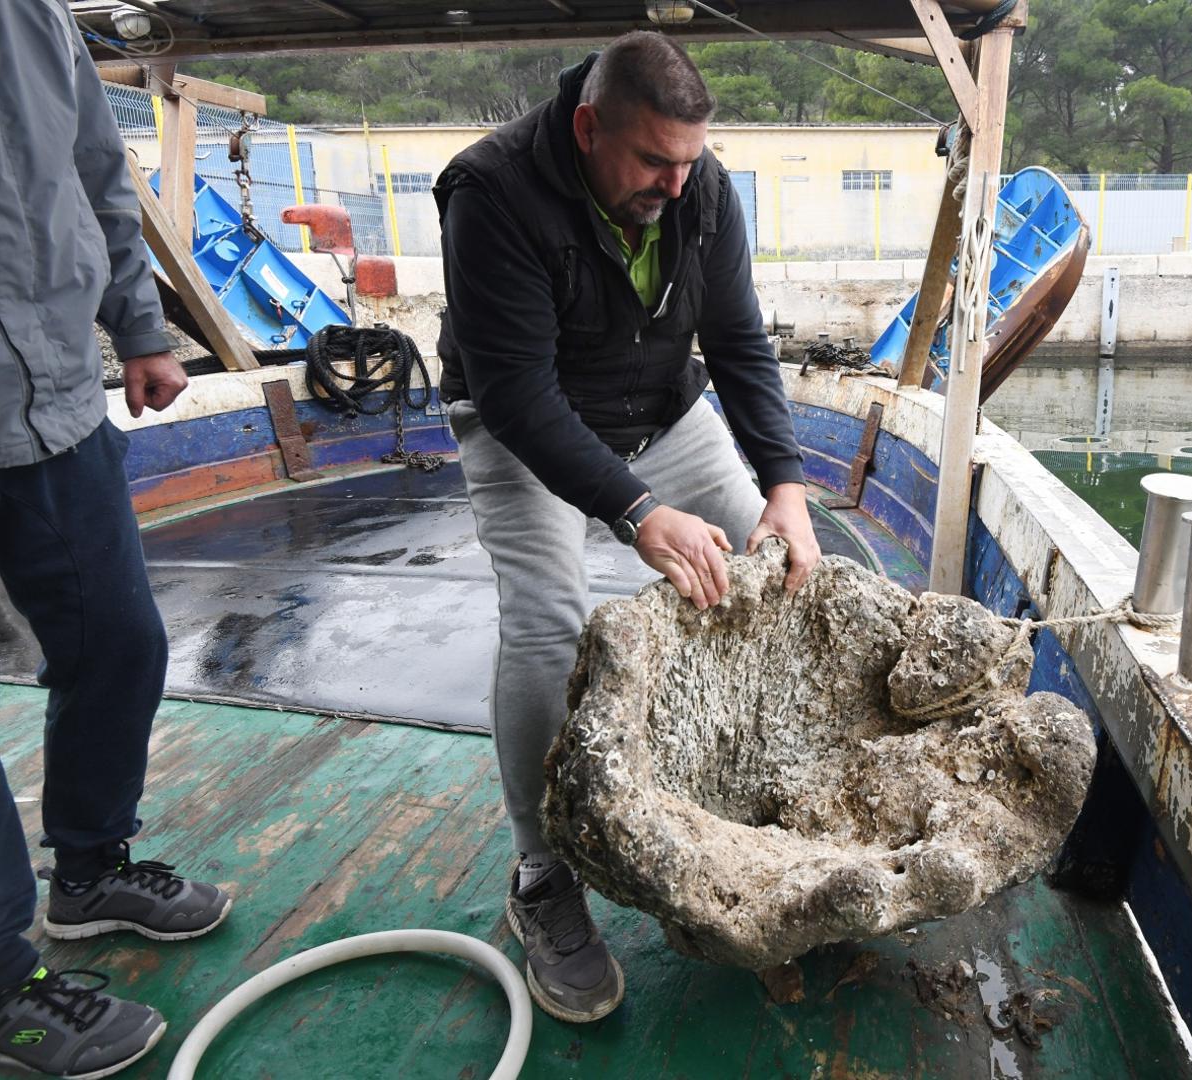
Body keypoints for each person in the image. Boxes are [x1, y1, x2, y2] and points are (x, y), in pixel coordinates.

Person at [435, 32, 821, 1022]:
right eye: (654, 161)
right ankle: (540, 879)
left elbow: (735, 338)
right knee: (545, 622)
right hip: (527, 424)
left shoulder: (700, 184)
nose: (675, 182)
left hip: (661, 408)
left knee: (790, 573)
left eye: (688, 161)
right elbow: (515, 392)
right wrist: (636, 511)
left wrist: (781, 483)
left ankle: (782, 806)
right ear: (585, 128)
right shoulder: (489, 191)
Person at [0, 2, 232, 1074]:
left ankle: (89, 870)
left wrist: (139, 327)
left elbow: (99, 171)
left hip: (50, 397)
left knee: (121, 641)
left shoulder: (35, 16)